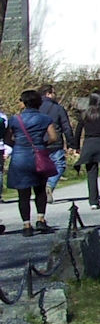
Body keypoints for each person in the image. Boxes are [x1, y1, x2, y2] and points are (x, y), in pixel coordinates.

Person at [4, 89, 62, 234]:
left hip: (20, 158)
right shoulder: (45, 119)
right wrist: (42, 145)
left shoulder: (15, 120)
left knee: (23, 194)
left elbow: (8, 139)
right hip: (39, 156)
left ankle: (26, 226)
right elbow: (54, 137)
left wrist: (19, 145)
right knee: (40, 190)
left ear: (24, 103)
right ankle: (41, 219)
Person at [76, 90, 100, 208]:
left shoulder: (85, 113)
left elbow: (78, 131)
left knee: (91, 172)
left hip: (89, 143)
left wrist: (76, 146)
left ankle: (93, 200)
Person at [38, 85, 73, 192]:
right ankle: (50, 185)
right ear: (48, 94)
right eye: (54, 93)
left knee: (41, 167)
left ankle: (42, 188)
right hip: (55, 142)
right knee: (59, 165)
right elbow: (66, 126)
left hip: (39, 142)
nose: (55, 95)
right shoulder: (57, 108)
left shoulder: (35, 108)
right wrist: (70, 143)